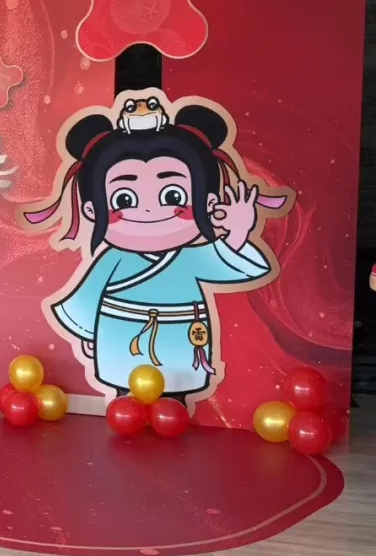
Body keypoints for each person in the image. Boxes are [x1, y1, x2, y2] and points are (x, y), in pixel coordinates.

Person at [24, 95, 289, 402]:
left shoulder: (189, 257)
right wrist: (88, 333)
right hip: (121, 338)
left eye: (173, 195)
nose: (149, 210)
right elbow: (86, 300)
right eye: (124, 199)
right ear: (92, 210)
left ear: (208, 202)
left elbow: (227, 263)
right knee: (125, 399)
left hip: (180, 339)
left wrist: (239, 231)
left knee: (175, 397)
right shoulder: (113, 260)